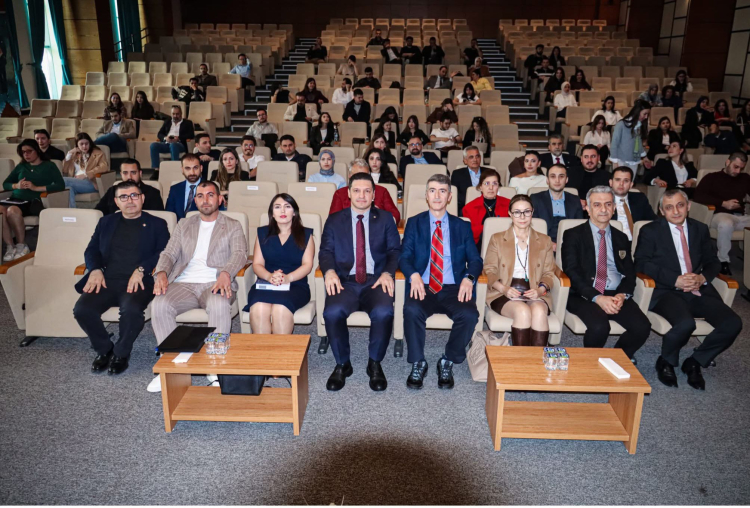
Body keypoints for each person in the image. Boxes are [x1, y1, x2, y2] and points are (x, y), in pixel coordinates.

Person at [635, 189, 742, 390]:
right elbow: (641, 264)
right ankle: (666, 361)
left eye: (680, 205)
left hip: (697, 289)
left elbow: (712, 262)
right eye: (669, 207)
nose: (675, 211)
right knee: (685, 324)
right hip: (666, 291)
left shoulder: (700, 229)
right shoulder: (650, 231)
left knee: (732, 323)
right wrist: (674, 280)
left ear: (688, 206)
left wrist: (702, 278)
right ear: (661, 211)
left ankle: (695, 361)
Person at [73, 181, 170, 375]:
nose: (130, 201)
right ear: (117, 202)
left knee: (131, 310)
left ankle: (121, 353)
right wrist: (95, 269)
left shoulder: (157, 223)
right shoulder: (106, 222)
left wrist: (141, 269)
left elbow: (164, 252)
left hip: (139, 281)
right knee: (82, 310)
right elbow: (91, 250)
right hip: (106, 279)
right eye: (124, 197)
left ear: (142, 198)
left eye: (134, 195)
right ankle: (104, 348)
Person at [320, 172, 401, 392]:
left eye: (367, 191)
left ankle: (374, 363)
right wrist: (329, 271)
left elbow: (395, 251)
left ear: (374, 195)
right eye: (356, 190)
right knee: (332, 312)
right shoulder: (335, 220)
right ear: (349, 193)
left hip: (376, 280)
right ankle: (342, 363)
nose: (362, 195)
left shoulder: (385, 219)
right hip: (345, 280)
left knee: (384, 312)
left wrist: (388, 273)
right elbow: (325, 251)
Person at [399, 174, 482, 389]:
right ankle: (418, 361)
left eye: (442, 191)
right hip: (423, 284)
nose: (437, 196)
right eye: (433, 191)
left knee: (469, 314)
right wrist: (413, 275)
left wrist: (469, 278)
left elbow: (475, 260)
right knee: (412, 310)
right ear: (426, 196)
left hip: (454, 286)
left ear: (450, 196)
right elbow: (404, 257)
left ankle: (448, 359)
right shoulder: (414, 223)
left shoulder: (462, 226)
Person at [151, 180, 248, 352]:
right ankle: (171, 359)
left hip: (215, 283)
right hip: (183, 283)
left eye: (210, 195)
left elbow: (240, 253)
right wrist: (162, 272)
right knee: (159, 304)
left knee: (219, 304)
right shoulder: (184, 224)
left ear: (219, 199)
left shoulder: (233, 225)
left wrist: (226, 273)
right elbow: (169, 253)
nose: (205, 200)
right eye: (200, 196)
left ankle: (216, 359)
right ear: (195, 201)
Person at [561, 186, 651, 361]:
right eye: (597, 204)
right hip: (583, 293)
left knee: (642, 327)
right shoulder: (573, 234)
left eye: (608, 204)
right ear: (587, 208)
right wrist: (597, 298)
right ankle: (591, 363)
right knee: (599, 327)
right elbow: (572, 271)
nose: (603, 209)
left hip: (615, 292)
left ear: (614, 208)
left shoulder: (621, 237)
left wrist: (622, 295)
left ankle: (618, 357)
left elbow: (630, 272)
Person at [484, 194, 556, 346]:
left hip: (534, 290)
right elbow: (489, 270)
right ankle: (521, 358)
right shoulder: (497, 239)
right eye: (517, 212)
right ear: (510, 214)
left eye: (526, 212)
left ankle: (536, 358)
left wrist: (540, 290)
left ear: (532, 212)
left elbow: (549, 273)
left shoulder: (545, 241)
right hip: (503, 291)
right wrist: (504, 289)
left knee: (539, 312)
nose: (522, 217)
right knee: (522, 311)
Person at [245, 193, 315, 333]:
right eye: (277, 207)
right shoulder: (263, 233)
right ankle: (263, 348)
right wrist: (269, 276)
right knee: (259, 308)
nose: (282, 211)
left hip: (295, 285)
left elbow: (307, 265)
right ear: (272, 213)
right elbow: (257, 264)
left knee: (280, 309)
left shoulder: (305, 235)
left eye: (287, 206)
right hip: (266, 283)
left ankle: (280, 348)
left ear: (294, 212)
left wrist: (288, 278)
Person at [1, 140, 64, 261]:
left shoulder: (49, 165)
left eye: (29, 151)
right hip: (15, 199)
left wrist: (36, 188)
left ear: (37, 151)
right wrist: (16, 185)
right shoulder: (21, 166)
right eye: (23, 152)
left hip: (32, 201)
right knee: (1, 210)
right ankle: (10, 246)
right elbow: (6, 184)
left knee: (12, 211)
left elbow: (60, 185)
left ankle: (21, 244)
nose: (26, 154)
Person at [694, 152, 750, 275]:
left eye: (741, 168)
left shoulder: (745, 178)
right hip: (718, 215)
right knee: (726, 223)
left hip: (740, 217)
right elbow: (698, 196)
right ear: (727, 162)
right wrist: (723, 203)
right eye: (736, 167)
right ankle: (722, 261)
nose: (738, 171)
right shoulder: (712, 178)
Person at [529, 163, 584, 253]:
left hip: (569, 244)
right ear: (547, 180)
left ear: (566, 180)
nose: (557, 180)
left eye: (561, 176)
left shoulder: (575, 200)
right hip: (543, 243)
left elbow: (579, 227)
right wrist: (548, 243)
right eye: (553, 176)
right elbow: (532, 226)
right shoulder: (536, 198)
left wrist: (567, 245)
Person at [329, 159, 401, 223]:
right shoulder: (340, 193)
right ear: (349, 176)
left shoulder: (382, 191)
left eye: (365, 176)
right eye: (357, 176)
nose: (361, 180)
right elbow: (333, 219)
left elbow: (395, 215)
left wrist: (381, 217)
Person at [95, 158, 164, 215]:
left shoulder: (153, 193)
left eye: (133, 172)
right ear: (121, 174)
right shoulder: (112, 191)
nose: (129, 177)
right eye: (125, 173)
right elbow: (98, 212)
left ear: (140, 173)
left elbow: (159, 218)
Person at [462, 168, 510, 248]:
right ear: (480, 187)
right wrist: (490, 226)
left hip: (504, 245)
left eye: (495, 183)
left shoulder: (509, 204)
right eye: (487, 183)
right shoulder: (469, 208)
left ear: (498, 186)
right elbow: (468, 233)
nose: (491, 187)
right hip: (478, 246)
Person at [62, 132, 109, 208]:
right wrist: (69, 154)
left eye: (86, 143)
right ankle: (73, 212)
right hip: (75, 182)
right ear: (77, 145)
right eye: (81, 144)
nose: (84, 146)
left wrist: (86, 175)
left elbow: (104, 167)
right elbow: (64, 170)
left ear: (90, 143)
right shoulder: (74, 154)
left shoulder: (98, 153)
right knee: (68, 189)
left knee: (63, 180)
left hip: (91, 182)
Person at [609, 166, 656, 240]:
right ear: (611, 183)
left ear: (631, 185)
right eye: (618, 180)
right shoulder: (603, 200)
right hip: (612, 240)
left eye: (626, 181)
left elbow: (652, 220)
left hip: (637, 241)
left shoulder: (640, 198)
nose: (621, 184)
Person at [610, 100, 651, 173]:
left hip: (634, 161)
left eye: (647, 114)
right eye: (645, 114)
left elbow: (638, 144)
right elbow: (614, 144)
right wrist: (615, 162)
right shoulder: (621, 124)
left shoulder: (639, 126)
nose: (646, 117)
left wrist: (645, 157)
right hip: (621, 161)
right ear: (638, 111)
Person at [450, 146, 488, 214]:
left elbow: (498, 191)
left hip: (487, 206)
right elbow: (455, 195)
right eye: (471, 157)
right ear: (465, 160)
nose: (475, 159)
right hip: (466, 207)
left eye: (477, 156)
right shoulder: (457, 174)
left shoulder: (490, 172)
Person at [165, 154, 203, 220]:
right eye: (187, 168)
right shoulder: (175, 189)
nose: (192, 172)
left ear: (201, 168)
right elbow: (168, 214)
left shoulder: (210, 188)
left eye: (195, 168)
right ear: (182, 170)